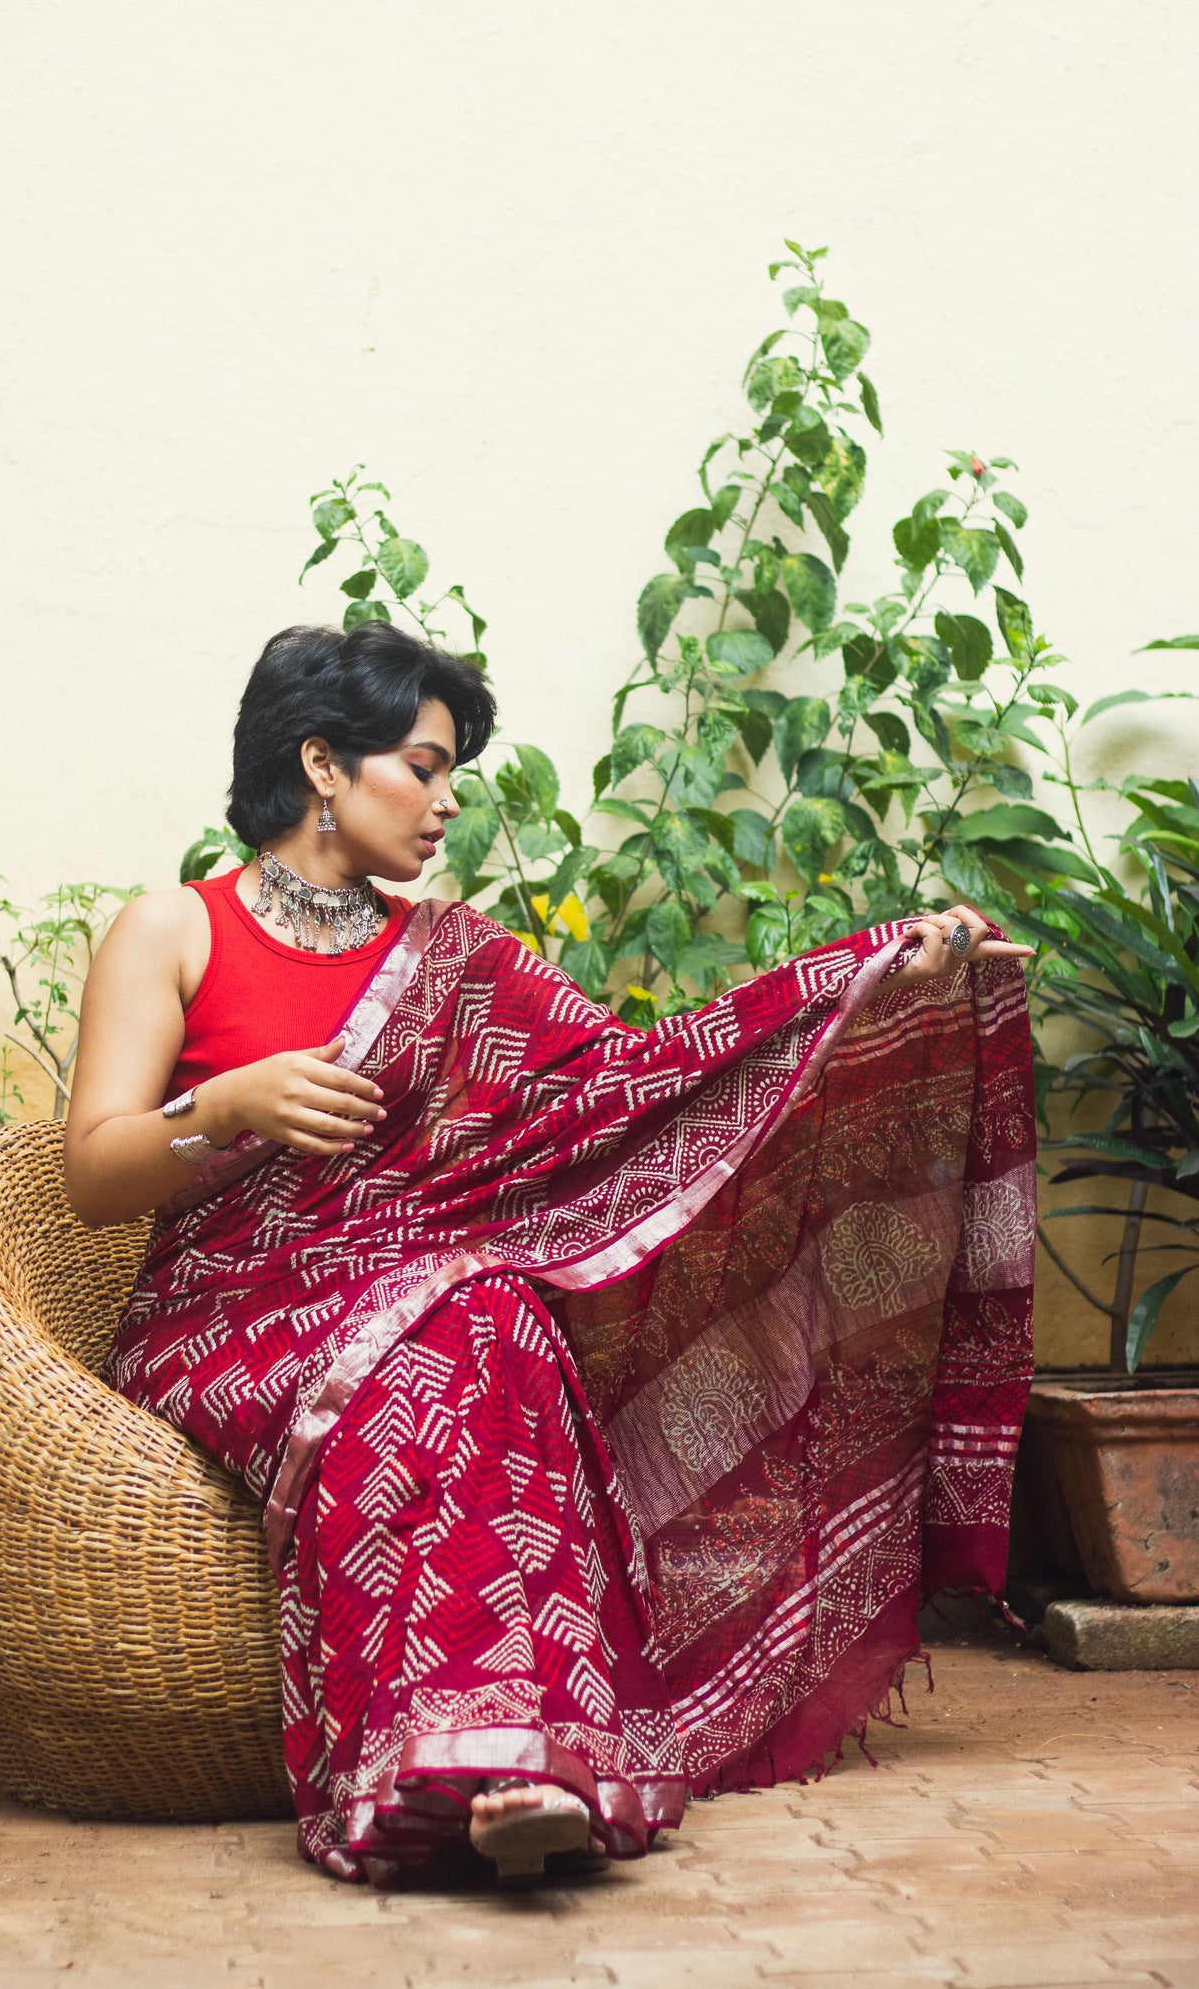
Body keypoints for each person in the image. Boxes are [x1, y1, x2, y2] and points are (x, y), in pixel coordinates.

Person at [66, 621, 1036, 1887]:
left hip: (418, 1302)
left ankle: (520, 1765)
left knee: (490, 1315)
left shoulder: (455, 960)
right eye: (423, 765)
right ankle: (433, 1763)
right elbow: (92, 1173)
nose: (447, 801)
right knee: (452, 1318)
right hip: (224, 1313)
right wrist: (226, 1105)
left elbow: (637, 1080)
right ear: (319, 763)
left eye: (451, 771)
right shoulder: (173, 930)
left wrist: (864, 980)